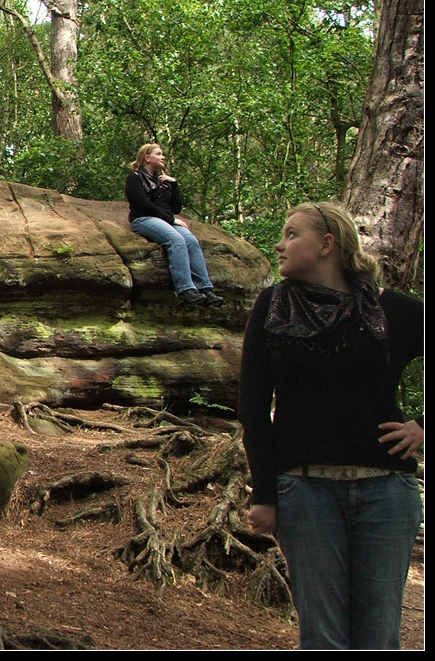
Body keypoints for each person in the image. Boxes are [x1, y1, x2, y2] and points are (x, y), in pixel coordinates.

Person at [238, 201, 423, 649]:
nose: (279, 245)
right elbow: (253, 403)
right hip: (304, 494)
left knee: (378, 636)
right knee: (323, 638)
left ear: (326, 244)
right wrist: (264, 493)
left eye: (291, 234)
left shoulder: (393, 310)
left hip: (386, 492)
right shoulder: (273, 306)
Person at [124, 143, 223, 305]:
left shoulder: (161, 182)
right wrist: (170, 220)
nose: (163, 157)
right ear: (147, 158)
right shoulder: (134, 178)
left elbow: (176, 207)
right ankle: (185, 289)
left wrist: (174, 184)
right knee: (176, 240)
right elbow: (141, 203)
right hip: (143, 219)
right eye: (159, 154)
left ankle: (205, 289)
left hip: (166, 220)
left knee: (191, 241)